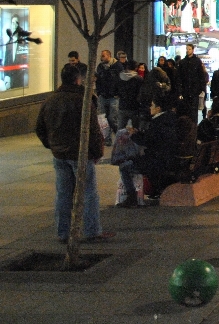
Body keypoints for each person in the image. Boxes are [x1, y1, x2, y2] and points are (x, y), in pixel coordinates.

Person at [35, 65, 113, 242]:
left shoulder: (51, 100)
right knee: (88, 193)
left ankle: (63, 232)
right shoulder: (83, 100)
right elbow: (92, 130)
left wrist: (52, 145)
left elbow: (40, 128)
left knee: (63, 194)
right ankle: (91, 231)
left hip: (60, 154)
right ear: (78, 79)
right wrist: (97, 151)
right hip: (80, 153)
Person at [118, 95, 178, 206]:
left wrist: (133, 135)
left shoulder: (158, 122)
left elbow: (147, 141)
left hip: (157, 161)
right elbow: (153, 138)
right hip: (169, 158)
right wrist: (138, 133)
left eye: (152, 105)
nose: (150, 107)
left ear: (158, 108)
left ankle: (132, 198)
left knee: (124, 166)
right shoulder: (171, 119)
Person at [94, 49, 123, 144]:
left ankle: (119, 136)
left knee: (112, 118)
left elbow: (121, 80)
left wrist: (118, 93)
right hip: (103, 96)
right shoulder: (100, 67)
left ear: (109, 56)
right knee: (103, 119)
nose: (101, 58)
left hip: (113, 97)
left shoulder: (117, 66)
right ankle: (107, 138)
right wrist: (99, 92)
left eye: (103, 56)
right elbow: (98, 80)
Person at [177, 44, 208, 124]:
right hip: (185, 90)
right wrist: (180, 90)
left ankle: (194, 127)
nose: (188, 50)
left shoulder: (197, 61)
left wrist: (202, 89)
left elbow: (201, 76)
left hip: (194, 91)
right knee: (186, 110)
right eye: (187, 49)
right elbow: (179, 77)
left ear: (193, 50)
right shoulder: (182, 62)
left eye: (189, 49)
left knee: (194, 111)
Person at [138, 59, 172, 128]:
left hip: (145, 106)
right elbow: (167, 90)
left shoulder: (147, 81)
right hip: (155, 106)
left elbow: (141, 95)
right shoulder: (159, 84)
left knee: (144, 123)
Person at [116, 58, 143, 132]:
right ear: (136, 68)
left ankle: (119, 142)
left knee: (121, 128)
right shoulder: (138, 79)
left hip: (122, 105)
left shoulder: (120, 77)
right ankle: (135, 142)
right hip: (134, 106)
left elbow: (116, 89)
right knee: (136, 128)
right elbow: (141, 93)